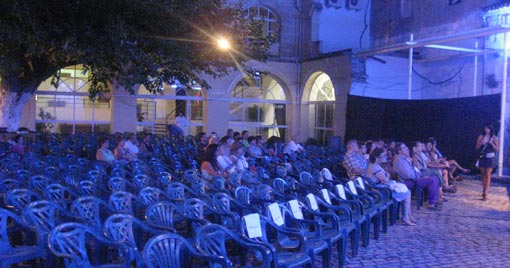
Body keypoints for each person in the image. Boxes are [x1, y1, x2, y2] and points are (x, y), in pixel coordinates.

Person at [367, 148, 415, 226]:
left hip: (382, 188)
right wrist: (387, 175)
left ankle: (408, 216)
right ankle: (406, 217)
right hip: (380, 191)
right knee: (407, 193)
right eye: (383, 156)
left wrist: (386, 176)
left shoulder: (376, 166)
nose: (385, 158)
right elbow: (385, 179)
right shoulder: (374, 167)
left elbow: (385, 177)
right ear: (377, 157)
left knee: (408, 192)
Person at [393, 142, 441, 210]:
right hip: (407, 182)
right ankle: (431, 203)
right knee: (432, 180)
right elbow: (409, 175)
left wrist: (419, 175)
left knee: (435, 178)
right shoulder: (399, 161)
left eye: (406, 147)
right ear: (399, 151)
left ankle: (434, 201)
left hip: (413, 179)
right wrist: (420, 177)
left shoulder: (404, 159)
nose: (407, 149)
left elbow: (414, 171)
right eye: (404, 148)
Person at [476, 124, 499, 201]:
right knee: (482, 174)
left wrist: (492, 143)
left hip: (490, 157)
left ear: (491, 129)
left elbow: (497, 149)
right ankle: (483, 189)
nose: (487, 130)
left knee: (488, 174)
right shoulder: (481, 136)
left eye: (488, 128)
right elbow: (477, 147)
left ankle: (486, 192)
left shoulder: (494, 138)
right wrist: (481, 141)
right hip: (483, 156)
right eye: (485, 128)